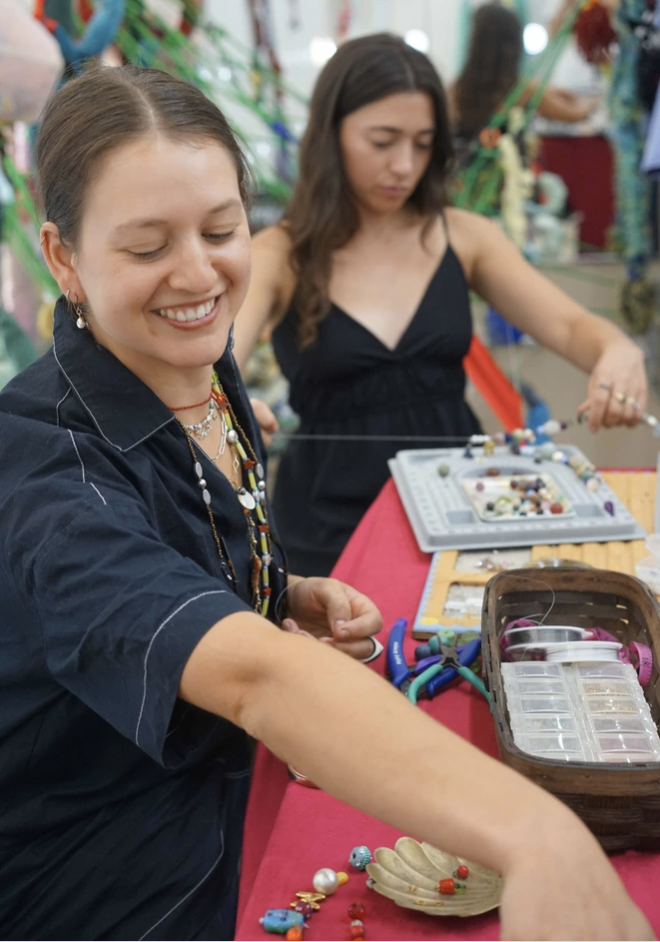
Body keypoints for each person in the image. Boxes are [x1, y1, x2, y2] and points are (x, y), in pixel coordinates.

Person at [0, 65, 652, 942]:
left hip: (224, 778)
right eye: (148, 248)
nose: (197, 273)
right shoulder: (45, 466)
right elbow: (252, 673)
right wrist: (539, 833)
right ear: (63, 257)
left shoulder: (195, 368)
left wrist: (278, 592)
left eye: (222, 230)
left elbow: (173, 572)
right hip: (118, 864)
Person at [233, 32, 647, 578]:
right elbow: (217, 368)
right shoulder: (279, 254)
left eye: (423, 143)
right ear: (331, 134)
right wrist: (232, 406)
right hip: (326, 532)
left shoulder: (466, 237)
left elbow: (571, 326)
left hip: (461, 512)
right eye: (383, 141)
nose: (404, 166)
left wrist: (618, 351)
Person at [449, 3, 600, 140]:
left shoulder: (455, 89)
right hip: (508, 163)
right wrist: (597, 101)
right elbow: (573, 115)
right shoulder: (520, 91)